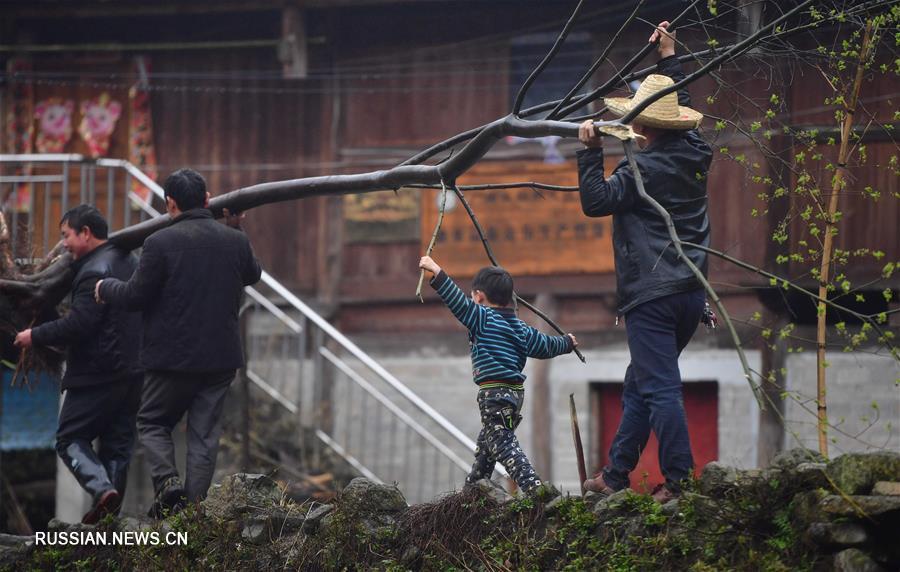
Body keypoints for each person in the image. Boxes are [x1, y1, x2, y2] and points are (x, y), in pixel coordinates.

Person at [576, 21, 712, 503]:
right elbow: (679, 100)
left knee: (658, 388)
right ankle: (616, 475)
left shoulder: (639, 169)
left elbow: (595, 202)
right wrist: (668, 56)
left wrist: (590, 153)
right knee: (642, 384)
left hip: (652, 297)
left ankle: (679, 482)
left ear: (641, 125)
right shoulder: (697, 153)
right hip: (691, 293)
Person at [95, 168, 261, 517]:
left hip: (170, 359)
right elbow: (252, 275)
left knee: (152, 422)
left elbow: (135, 295)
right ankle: (194, 513)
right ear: (207, 200)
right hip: (219, 358)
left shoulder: (159, 243)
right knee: (204, 435)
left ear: (170, 203)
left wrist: (104, 288)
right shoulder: (234, 240)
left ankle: (168, 482)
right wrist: (236, 228)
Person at [14, 205, 142, 524]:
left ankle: (101, 489)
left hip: (97, 373)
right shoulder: (130, 262)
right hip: (133, 371)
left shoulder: (92, 271)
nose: (64, 245)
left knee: (69, 438)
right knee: (117, 446)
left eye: (66, 236)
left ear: (85, 233)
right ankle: (109, 519)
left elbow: (80, 324)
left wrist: (35, 334)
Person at [418, 255, 577, 494]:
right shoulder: (522, 328)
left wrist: (436, 271)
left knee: (501, 443)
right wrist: (566, 343)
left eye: (473, 297)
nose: (471, 301)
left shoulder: (481, 317)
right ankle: (471, 493)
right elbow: (546, 346)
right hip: (514, 395)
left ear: (479, 296)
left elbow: (456, 301)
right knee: (487, 444)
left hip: (493, 393)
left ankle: (535, 488)